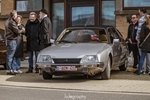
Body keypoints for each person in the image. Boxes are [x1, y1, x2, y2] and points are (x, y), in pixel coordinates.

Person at [5, 10, 25, 74]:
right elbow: (17, 31)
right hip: (12, 40)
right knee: (11, 55)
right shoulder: (12, 22)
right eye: (16, 16)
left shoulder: (7, 21)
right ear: (13, 16)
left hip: (8, 40)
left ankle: (9, 69)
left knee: (10, 55)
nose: (16, 17)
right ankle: (9, 69)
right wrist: (22, 30)